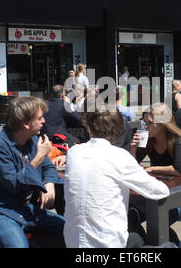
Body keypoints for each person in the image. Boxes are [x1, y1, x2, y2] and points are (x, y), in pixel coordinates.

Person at [63, 106, 169, 248]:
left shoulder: (73, 153)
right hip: (109, 242)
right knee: (166, 244)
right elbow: (159, 191)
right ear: (118, 130)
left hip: (73, 241)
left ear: (89, 127)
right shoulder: (119, 156)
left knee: (135, 229)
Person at [0, 96, 65, 248]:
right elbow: (14, 184)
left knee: (70, 229)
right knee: (18, 246)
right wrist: (38, 158)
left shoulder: (33, 140)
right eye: (40, 118)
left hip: (25, 208)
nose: (43, 121)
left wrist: (49, 184)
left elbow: (48, 167)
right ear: (25, 124)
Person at [129, 102, 181, 247]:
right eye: (144, 122)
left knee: (159, 221)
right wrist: (133, 149)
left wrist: (152, 169)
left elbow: (178, 169)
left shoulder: (178, 140)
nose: (145, 126)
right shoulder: (149, 140)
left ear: (163, 124)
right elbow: (133, 166)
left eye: (150, 123)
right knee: (130, 215)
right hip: (159, 193)